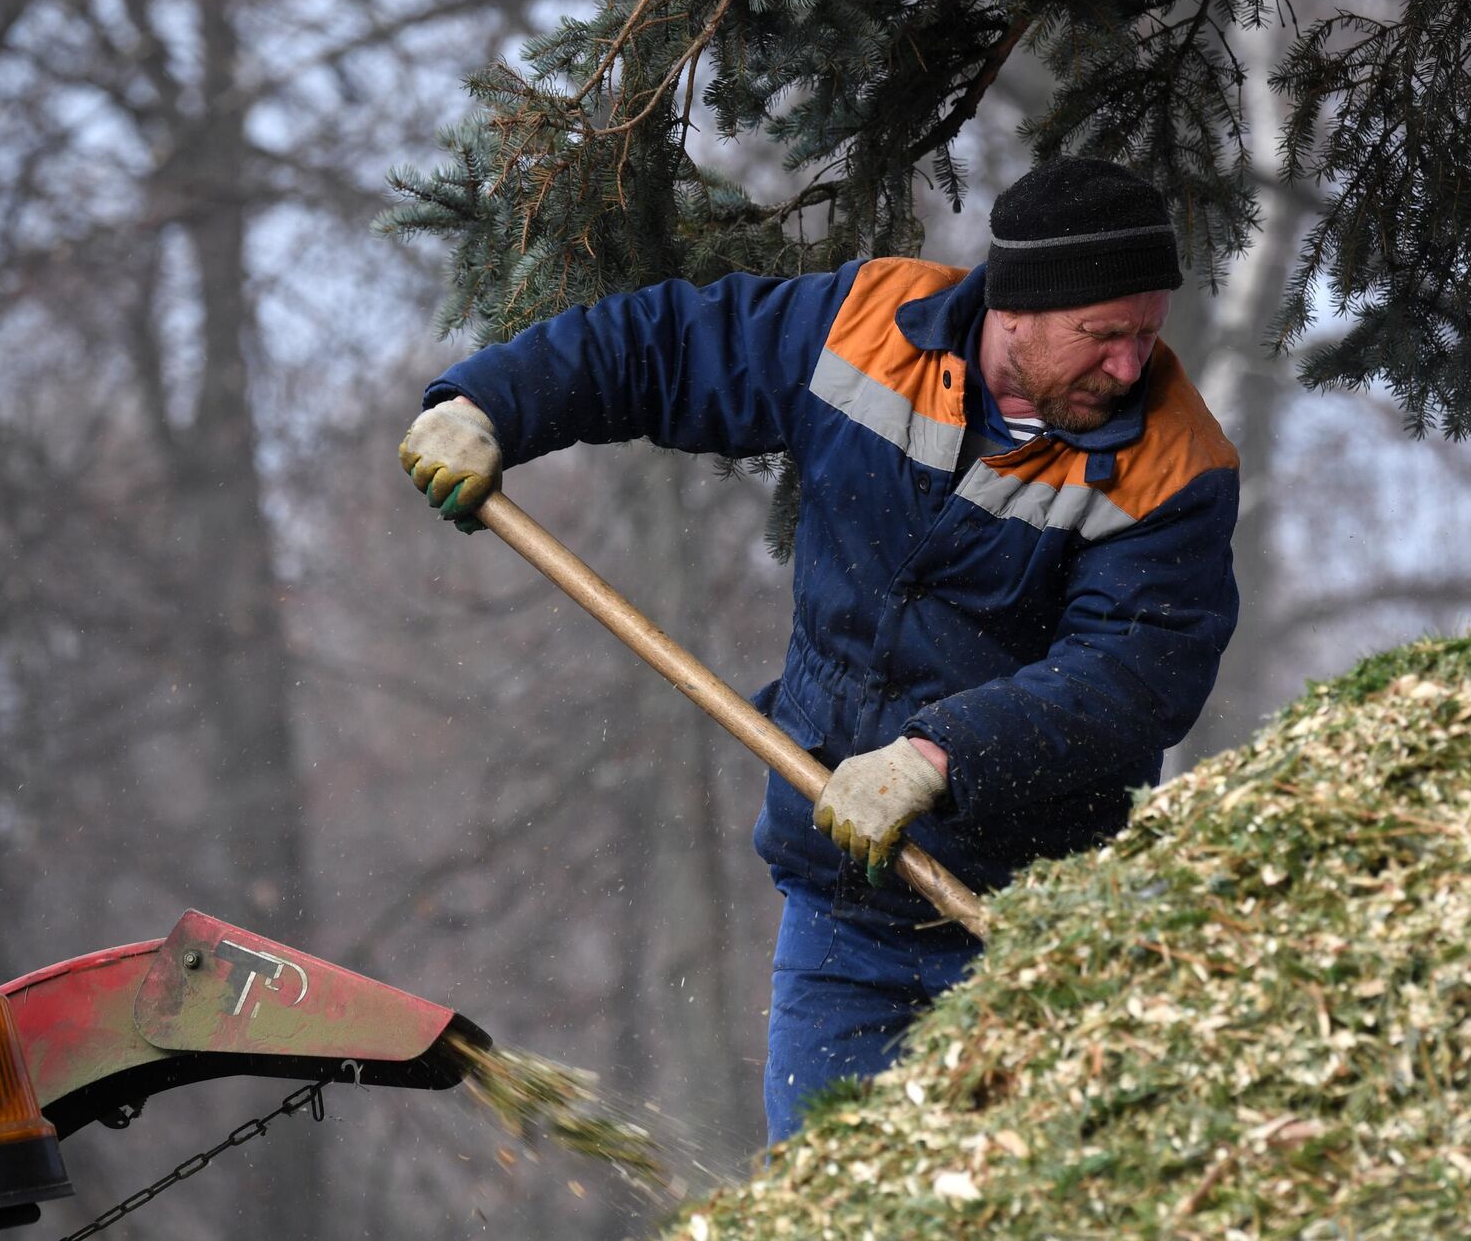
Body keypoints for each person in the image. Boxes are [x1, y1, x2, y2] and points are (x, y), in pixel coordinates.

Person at [398, 156, 1241, 1142]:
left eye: (1147, 333)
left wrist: (939, 755)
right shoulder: (869, 326)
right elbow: (667, 347)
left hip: (1030, 925)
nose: (1134, 365)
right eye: (1106, 336)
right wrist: (486, 401)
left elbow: (1133, 674)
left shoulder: (1176, 464)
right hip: (844, 913)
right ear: (1018, 308)